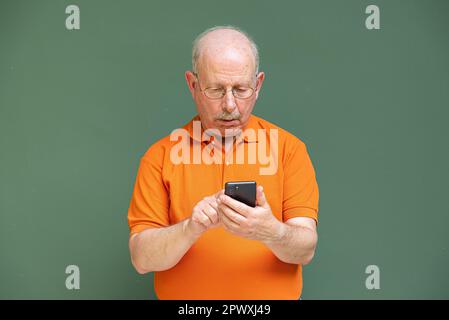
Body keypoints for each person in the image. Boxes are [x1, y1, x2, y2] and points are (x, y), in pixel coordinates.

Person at [127, 26, 319, 300]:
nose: (230, 105)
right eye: (216, 90)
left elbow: (306, 249)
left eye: (241, 89)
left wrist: (271, 231)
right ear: (193, 85)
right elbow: (142, 259)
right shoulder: (159, 157)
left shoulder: (290, 150)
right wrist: (190, 227)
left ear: (258, 85)